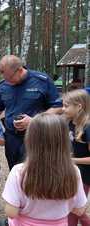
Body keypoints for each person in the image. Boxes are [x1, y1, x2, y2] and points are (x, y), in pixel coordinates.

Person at [2, 113, 87, 226]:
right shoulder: (73, 171)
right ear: (64, 141)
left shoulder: (19, 171)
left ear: (30, 140)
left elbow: (11, 212)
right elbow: (80, 210)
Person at [0, 55, 62, 169]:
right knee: (15, 171)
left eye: (9, 78)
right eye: (4, 78)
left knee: (35, 172)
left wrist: (34, 121)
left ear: (20, 69)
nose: (7, 81)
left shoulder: (42, 81)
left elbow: (58, 107)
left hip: (36, 135)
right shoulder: (4, 85)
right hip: (11, 138)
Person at [62, 89, 90, 226]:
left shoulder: (88, 127)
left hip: (84, 176)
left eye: (66, 106)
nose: (63, 109)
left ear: (79, 106)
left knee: (74, 210)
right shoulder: (69, 123)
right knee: (74, 208)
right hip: (71, 172)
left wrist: (73, 160)